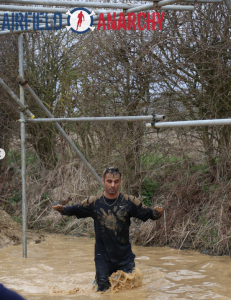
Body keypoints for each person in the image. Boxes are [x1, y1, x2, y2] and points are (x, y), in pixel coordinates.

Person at [52, 167, 164, 292]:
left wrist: (157, 213)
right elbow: (73, 209)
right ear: (103, 181)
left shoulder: (129, 201)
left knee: (130, 291)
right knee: (102, 291)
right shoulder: (94, 202)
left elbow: (150, 214)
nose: (112, 185)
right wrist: (61, 209)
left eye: (116, 181)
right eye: (109, 181)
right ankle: (98, 280)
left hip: (125, 258)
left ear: (120, 181)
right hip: (102, 257)